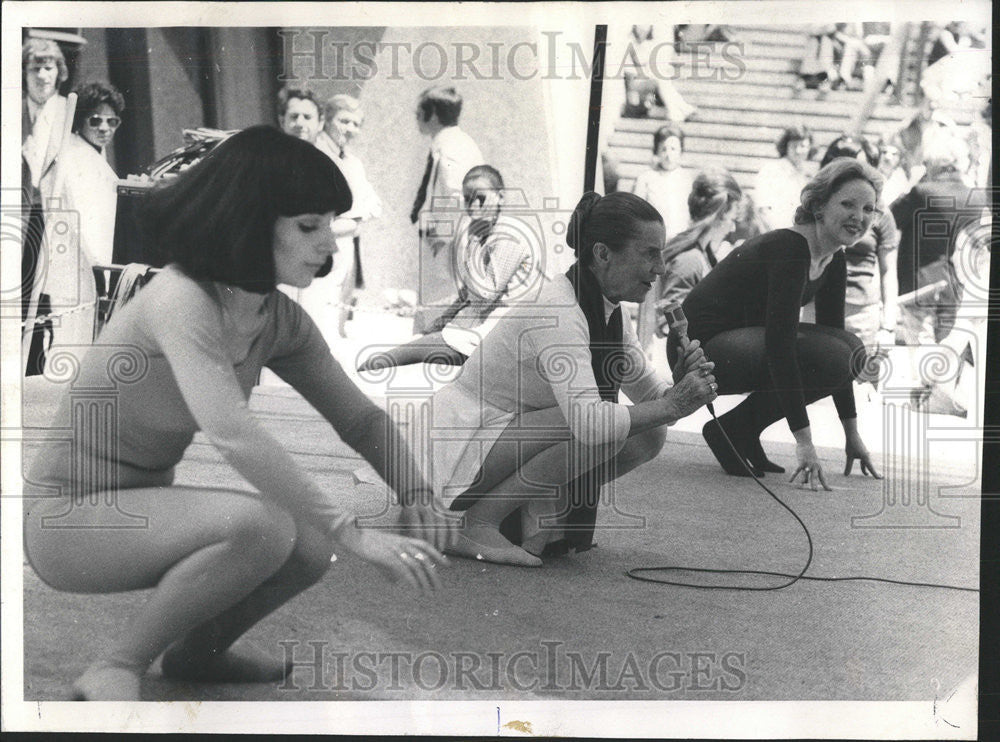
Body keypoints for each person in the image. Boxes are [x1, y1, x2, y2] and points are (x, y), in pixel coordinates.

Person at [23, 126, 453, 702]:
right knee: (266, 527)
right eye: (308, 226)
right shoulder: (181, 298)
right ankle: (116, 664)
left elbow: (361, 421)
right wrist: (354, 534)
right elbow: (235, 436)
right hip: (66, 522)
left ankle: (198, 655)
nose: (329, 243)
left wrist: (416, 494)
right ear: (249, 221)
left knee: (305, 542)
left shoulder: (277, 318)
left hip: (136, 509)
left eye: (329, 223)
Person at [428, 191, 718, 567]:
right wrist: (672, 403)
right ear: (602, 254)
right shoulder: (561, 310)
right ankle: (478, 521)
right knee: (597, 424)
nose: (660, 268)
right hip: (456, 448)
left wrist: (676, 390)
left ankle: (535, 511)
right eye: (649, 253)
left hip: (494, 441)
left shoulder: (608, 307)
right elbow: (592, 424)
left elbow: (654, 401)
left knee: (648, 431)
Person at [676, 159, 883, 486]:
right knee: (834, 353)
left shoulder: (833, 255)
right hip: (697, 351)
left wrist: (852, 433)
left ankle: (744, 429)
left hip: (740, 344)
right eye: (847, 204)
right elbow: (779, 344)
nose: (859, 216)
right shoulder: (791, 248)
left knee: (849, 348)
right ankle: (731, 429)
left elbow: (837, 338)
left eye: (869, 208)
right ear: (819, 206)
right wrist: (804, 442)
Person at [358, 165, 541, 370]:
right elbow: (466, 294)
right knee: (398, 353)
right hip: (474, 326)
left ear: (500, 197)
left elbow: (486, 291)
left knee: (391, 359)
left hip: (498, 332)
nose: (474, 205)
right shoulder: (485, 233)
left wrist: (471, 244)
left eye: (481, 197)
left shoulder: (509, 236)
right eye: (468, 199)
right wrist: (439, 323)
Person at [43, 81, 125, 349]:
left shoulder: (90, 155)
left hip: (83, 269)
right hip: (78, 268)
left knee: (77, 344)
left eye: (112, 122)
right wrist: (103, 271)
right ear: (80, 121)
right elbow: (86, 221)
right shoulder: (76, 158)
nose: (104, 128)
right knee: (71, 345)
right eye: (95, 120)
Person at [891, 129, 975, 345]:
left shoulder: (922, 192)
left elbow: (891, 218)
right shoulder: (972, 196)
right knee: (944, 345)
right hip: (954, 283)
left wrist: (913, 182)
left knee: (919, 345)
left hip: (919, 283)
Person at [312, 94, 383, 338]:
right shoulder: (315, 155)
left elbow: (374, 204)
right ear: (327, 120)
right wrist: (355, 216)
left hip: (347, 244)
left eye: (356, 124)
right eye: (344, 121)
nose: (350, 129)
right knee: (320, 307)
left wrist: (353, 218)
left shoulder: (353, 162)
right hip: (321, 244)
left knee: (338, 309)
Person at [819, 136, 900, 348]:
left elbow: (889, 271)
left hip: (860, 316)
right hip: (816, 307)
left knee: (860, 380)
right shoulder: (816, 207)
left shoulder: (881, 213)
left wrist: (888, 326)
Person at [410, 86, 485, 312]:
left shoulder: (452, 147)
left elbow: (457, 197)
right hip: (451, 240)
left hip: (450, 244)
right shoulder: (452, 142)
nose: (416, 118)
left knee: (442, 309)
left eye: (418, 112)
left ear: (432, 114)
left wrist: (438, 238)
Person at [22, 38, 70, 375]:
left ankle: (35, 365)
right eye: (34, 67)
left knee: (45, 292)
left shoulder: (67, 111)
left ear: (59, 72)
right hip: (15, 212)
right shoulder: (11, 110)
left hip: (50, 216)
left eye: (48, 67)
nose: (41, 75)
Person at [630, 123, 696, 351]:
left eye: (674, 148)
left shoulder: (687, 180)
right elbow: (635, 213)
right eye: (664, 148)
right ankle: (643, 349)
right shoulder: (646, 178)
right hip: (652, 248)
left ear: (681, 151)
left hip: (679, 247)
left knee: (675, 301)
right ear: (657, 150)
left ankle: (672, 350)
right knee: (649, 299)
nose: (669, 154)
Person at [654, 167, 742, 325]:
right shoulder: (690, 260)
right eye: (733, 219)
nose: (733, 228)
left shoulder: (703, 255)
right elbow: (669, 326)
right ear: (720, 216)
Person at [620, 25, 697, 122]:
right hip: (634, 86)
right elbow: (629, 75)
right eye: (639, 30)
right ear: (635, 30)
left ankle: (678, 110)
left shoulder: (648, 45)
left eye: (644, 31)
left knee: (660, 79)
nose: (641, 34)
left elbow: (655, 66)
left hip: (648, 82)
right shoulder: (628, 45)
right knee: (660, 79)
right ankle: (681, 109)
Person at [754, 125, 813, 233]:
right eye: (794, 146)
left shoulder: (807, 176)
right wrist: (780, 236)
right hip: (773, 234)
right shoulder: (770, 171)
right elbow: (763, 210)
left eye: (803, 146)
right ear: (785, 146)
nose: (799, 151)